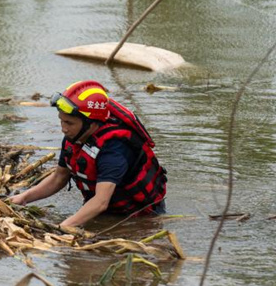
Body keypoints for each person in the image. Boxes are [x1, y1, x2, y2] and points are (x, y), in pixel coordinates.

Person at [9, 80, 166, 229]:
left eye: (69, 123)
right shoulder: (73, 138)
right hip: (102, 209)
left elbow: (100, 202)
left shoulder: (114, 149)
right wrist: (24, 197)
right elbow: (59, 178)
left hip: (137, 217)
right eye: (61, 121)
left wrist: (62, 227)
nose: (63, 128)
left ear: (92, 123)